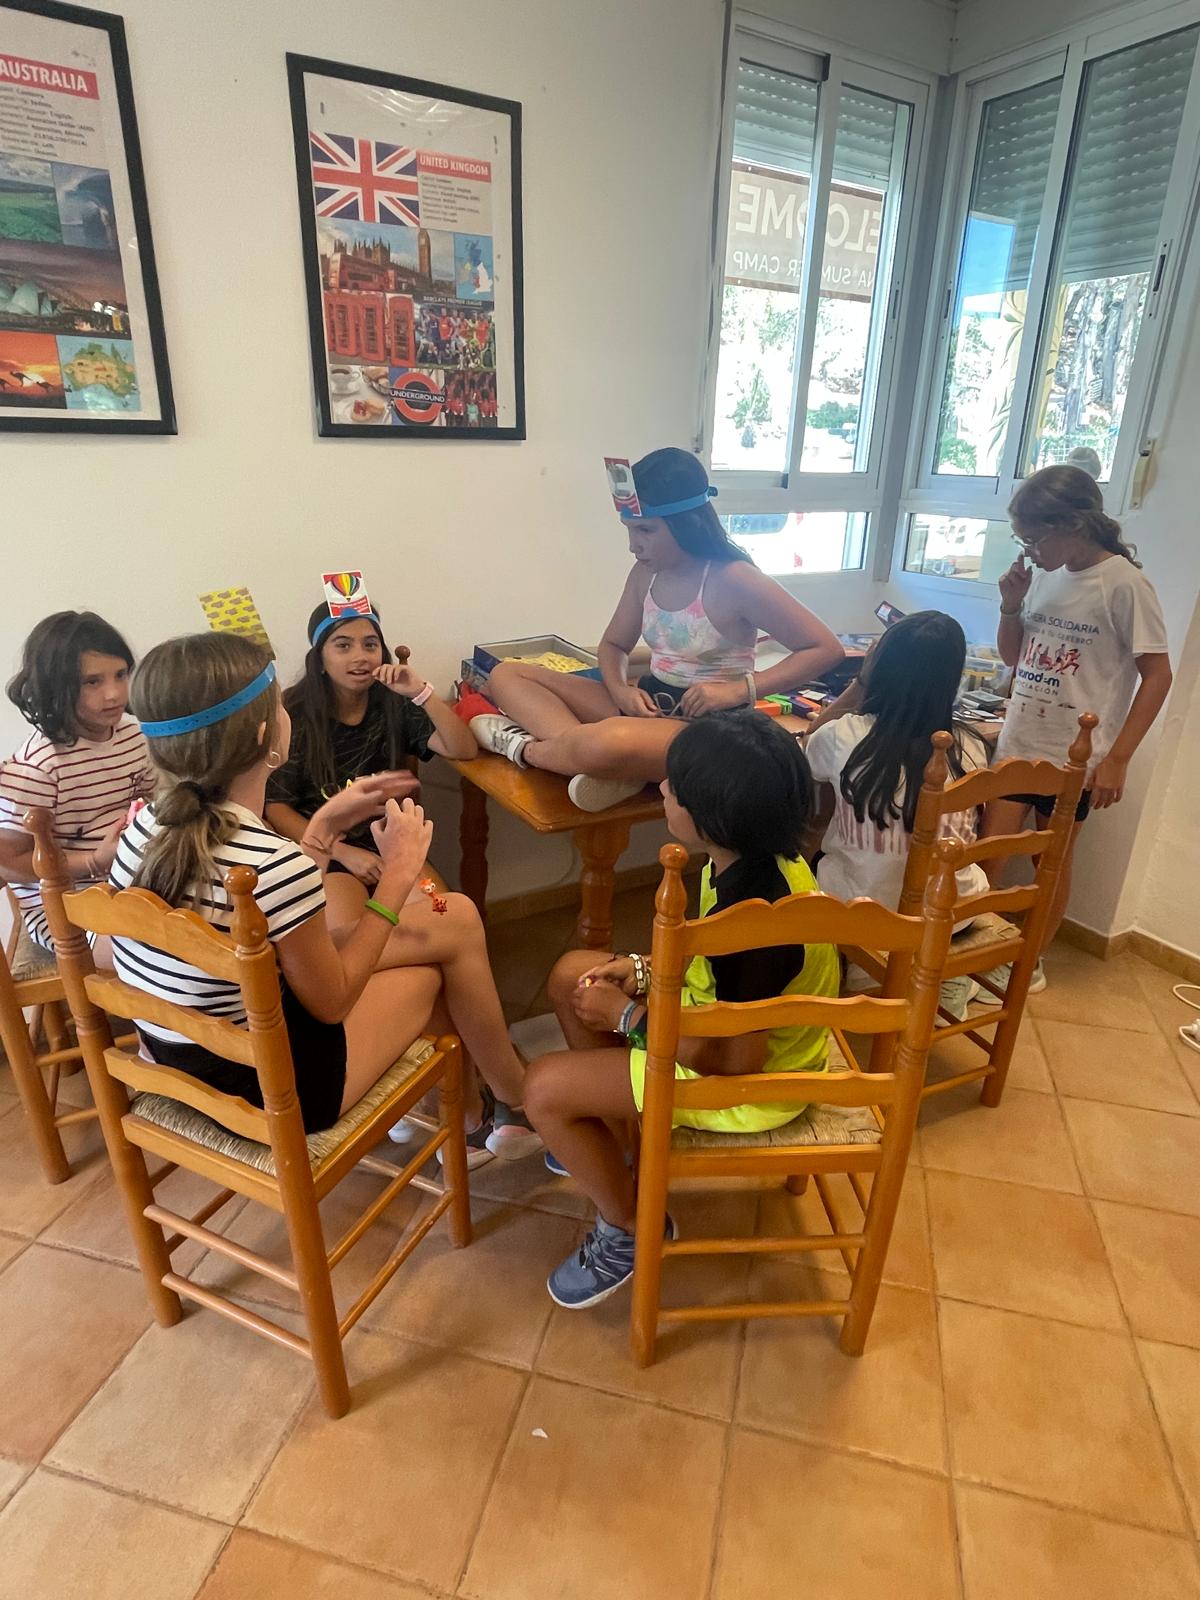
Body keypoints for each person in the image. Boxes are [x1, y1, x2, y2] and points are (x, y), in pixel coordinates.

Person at [111, 632, 539, 1160]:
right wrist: (397, 878)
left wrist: (321, 831)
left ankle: (483, 1111)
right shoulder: (270, 862)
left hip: (188, 1061)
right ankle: (511, 1103)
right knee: (435, 968)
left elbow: (275, 925)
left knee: (452, 921)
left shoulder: (144, 829)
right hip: (277, 1091)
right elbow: (332, 1000)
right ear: (267, 734)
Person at [522, 712, 838, 1309]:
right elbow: (707, 967)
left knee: (542, 1090)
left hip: (753, 1088)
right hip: (713, 1024)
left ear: (712, 815)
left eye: (675, 786)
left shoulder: (758, 924)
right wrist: (642, 971)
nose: (663, 789)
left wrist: (627, 1018)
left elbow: (736, 1062)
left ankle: (627, 1227)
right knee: (572, 975)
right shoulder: (748, 860)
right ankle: (618, 1145)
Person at [472, 448, 844, 811]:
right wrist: (621, 691)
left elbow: (825, 649)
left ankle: (528, 749)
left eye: (646, 530)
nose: (633, 545)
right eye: (629, 530)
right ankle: (598, 761)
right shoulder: (644, 574)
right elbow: (613, 645)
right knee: (507, 674)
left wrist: (738, 690)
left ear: (687, 523)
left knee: (603, 743)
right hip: (649, 706)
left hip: (711, 731)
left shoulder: (735, 578)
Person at [981, 465, 1172, 975]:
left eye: (1034, 538)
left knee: (1051, 863)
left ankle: (1029, 964)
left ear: (1074, 523)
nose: (1028, 551)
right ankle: (972, 954)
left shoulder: (1125, 585)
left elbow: (1158, 676)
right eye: (1021, 540)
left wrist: (1119, 759)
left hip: (1074, 756)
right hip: (1019, 742)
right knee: (988, 857)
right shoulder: (1045, 576)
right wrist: (1010, 606)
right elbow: (1014, 658)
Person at [804, 611, 990, 1016]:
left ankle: (868, 968)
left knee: (813, 857)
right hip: (953, 912)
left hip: (866, 912)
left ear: (880, 669)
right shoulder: (971, 746)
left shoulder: (844, 736)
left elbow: (807, 745)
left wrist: (860, 682)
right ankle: (936, 974)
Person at [265, 604, 477, 937]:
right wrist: (343, 852)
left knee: (444, 915)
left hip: (395, 851)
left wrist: (421, 693)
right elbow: (276, 807)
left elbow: (463, 749)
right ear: (319, 659)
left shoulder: (394, 701)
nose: (360, 656)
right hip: (328, 856)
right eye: (343, 645)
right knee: (348, 937)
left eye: (370, 644)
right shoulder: (295, 715)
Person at [0, 611, 153, 951]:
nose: (113, 694)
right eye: (92, 682)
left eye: (121, 674)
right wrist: (94, 861)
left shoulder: (134, 736)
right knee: (160, 953)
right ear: (56, 687)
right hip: (65, 909)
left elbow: (152, 803)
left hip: (133, 884)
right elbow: (8, 861)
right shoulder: (37, 768)